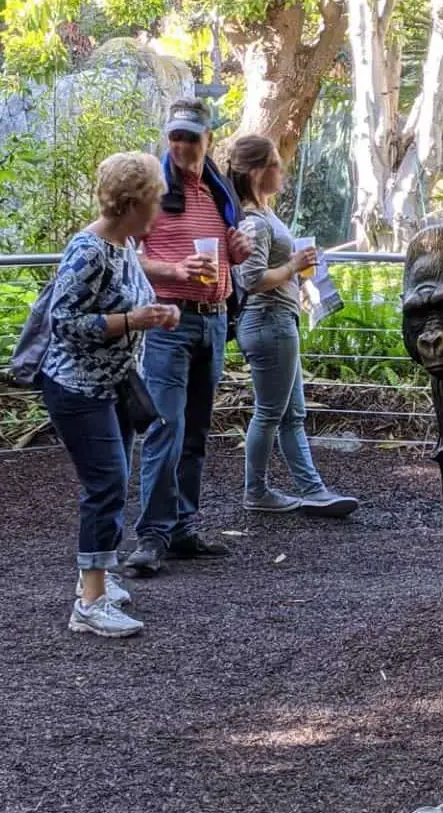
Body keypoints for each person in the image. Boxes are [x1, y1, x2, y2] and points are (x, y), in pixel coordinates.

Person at [40, 152, 180, 638]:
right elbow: (63, 322)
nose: (160, 208)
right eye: (155, 199)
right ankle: (91, 602)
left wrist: (159, 311)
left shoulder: (123, 247)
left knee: (112, 484)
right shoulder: (90, 250)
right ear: (132, 203)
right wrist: (130, 321)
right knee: (107, 487)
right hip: (78, 389)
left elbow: (129, 301)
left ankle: (96, 580)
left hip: (115, 386)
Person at [125, 98, 253, 576]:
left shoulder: (218, 190)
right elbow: (125, 255)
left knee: (196, 431)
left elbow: (228, 253)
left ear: (208, 139)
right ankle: (152, 535)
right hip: (167, 323)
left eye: (189, 137)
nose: (180, 145)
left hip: (214, 319)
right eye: (174, 136)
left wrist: (235, 251)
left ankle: (181, 528)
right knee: (165, 426)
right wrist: (174, 268)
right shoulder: (151, 189)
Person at [226, 135, 359, 517]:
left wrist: (298, 276)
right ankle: (258, 490)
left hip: (280, 319)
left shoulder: (264, 214)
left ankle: (311, 489)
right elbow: (251, 279)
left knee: (290, 414)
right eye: (274, 164)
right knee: (270, 412)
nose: (282, 170)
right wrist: (293, 266)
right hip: (268, 321)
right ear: (256, 171)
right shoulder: (252, 220)